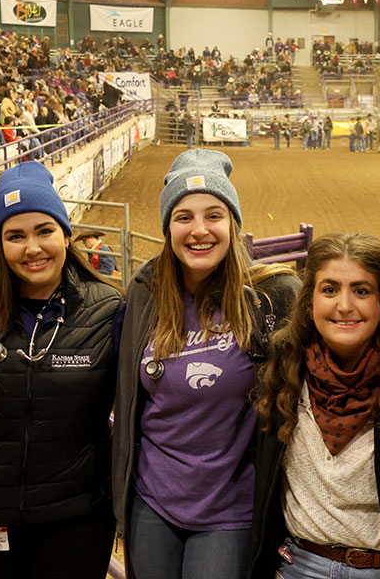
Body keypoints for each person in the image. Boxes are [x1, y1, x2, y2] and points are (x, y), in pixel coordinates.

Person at [0, 161, 123, 579]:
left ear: (66, 236)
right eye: (15, 236)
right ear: (0, 244)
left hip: (79, 512)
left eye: (44, 231)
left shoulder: (109, 311)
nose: (32, 248)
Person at [112, 149, 301, 579]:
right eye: (183, 217)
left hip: (230, 509)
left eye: (213, 215)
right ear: (167, 229)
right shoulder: (145, 294)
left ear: (233, 224)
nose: (199, 230)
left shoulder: (271, 296)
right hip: (151, 501)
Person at [248, 233, 380, 579]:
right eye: (330, 289)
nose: (345, 305)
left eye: (362, 290)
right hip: (298, 567)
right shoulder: (282, 371)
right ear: (310, 302)